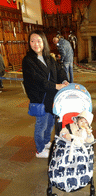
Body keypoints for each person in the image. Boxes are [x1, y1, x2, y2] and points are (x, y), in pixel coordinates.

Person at [22, 30, 69, 158]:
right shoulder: (28, 60)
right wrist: (55, 86)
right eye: (32, 41)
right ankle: (39, 149)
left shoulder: (49, 58)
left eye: (38, 40)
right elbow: (37, 79)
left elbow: (59, 71)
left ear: (44, 42)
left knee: (50, 123)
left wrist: (64, 80)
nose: (35, 44)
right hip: (40, 97)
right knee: (41, 125)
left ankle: (46, 141)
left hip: (51, 97)